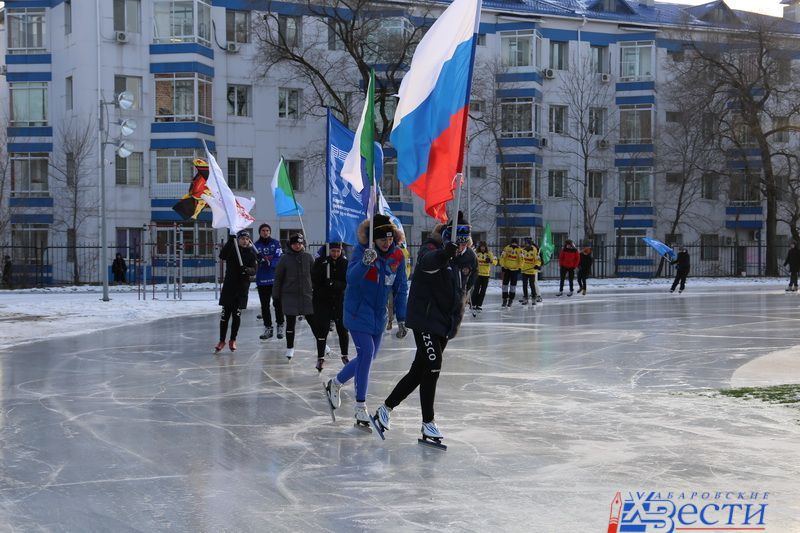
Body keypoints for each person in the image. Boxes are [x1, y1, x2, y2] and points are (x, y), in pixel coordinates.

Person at [372, 214, 477, 445]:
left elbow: (468, 284)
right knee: (433, 366)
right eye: (456, 242)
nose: (460, 247)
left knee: (419, 372)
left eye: (464, 242)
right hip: (425, 319)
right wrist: (445, 254)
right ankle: (428, 423)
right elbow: (428, 263)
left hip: (446, 323)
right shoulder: (433, 249)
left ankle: (384, 410)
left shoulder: (469, 256)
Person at [324, 214, 408, 428]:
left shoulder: (397, 255)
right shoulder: (362, 252)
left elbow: (400, 288)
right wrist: (364, 263)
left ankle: (335, 383)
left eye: (390, 239)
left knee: (368, 357)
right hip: (357, 312)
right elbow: (350, 279)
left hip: (378, 316)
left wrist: (402, 317)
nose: (387, 243)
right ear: (373, 240)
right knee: (367, 354)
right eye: (382, 239)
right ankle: (360, 407)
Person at [273, 233, 315, 361]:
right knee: (290, 323)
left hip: (306, 295)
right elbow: (278, 279)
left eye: (300, 243)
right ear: (291, 244)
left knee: (313, 322)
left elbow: (315, 275)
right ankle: (290, 347)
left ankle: (322, 345)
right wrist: (276, 296)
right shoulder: (285, 259)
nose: (298, 245)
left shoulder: (308, 257)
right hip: (289, 296)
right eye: (295, 243)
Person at [216, 230, 258, 353]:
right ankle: (221, 340)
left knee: (236, 316)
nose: (244, 241)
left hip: (241, 288)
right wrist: (230, 239)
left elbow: (254, 270)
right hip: (229, 287)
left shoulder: (251, 253)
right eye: (242, 239)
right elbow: (222, 256)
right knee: (225, 316)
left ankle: (233, 339)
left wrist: (246, 270)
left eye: (247, 239)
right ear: (238, 240)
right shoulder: (233, 250)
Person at [311, 242, 350, 371]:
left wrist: (334, 284)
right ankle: (320, 357)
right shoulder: (320, 262)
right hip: (322, 301)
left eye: (337, 251)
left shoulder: (344, 263)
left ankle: (344, 355)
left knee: (342, 329)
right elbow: (314, 279)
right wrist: (324, 276)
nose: (335, 254)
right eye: (333, 251)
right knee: (322, 329)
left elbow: (347, 282)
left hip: (339, 301)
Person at [253, 223, 285, 340]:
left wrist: (270, 263)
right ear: (260, 232)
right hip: (262, 279)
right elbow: (253, 259)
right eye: (263, 230)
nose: (265, 232)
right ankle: (268, 328)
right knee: (264, 306)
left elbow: (279, 257)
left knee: (278, 303)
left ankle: (280, 325)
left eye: (267, 230)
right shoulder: (255, 246)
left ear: (270, 232)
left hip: (275, 278)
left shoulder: (276, 243)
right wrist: (259, 260)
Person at [386, 240, 411, 331]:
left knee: (390, 301)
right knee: (393, 300)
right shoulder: (401, 250)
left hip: (394, 278)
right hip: (399, 277)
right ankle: (396, 321)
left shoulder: (399, 251)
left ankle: (391, 320)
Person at [471, 241, 496, 311]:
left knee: (483, 291)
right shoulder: (476, 253)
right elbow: (472, 261)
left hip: (486, 275)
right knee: (476, 290)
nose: (482, 248)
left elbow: (495, 262)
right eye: (481, 247)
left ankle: (478, 305)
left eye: (484, 247)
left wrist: (490, 261)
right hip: (478, 275)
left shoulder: (489, 254)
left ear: (486, 247)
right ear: (479, 247)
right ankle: (473, 304)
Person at [499, 239, 522, 307]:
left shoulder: (519, 250)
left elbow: (521, 259)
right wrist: (502, 266)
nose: (514, 244)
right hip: (507, 269)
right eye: (513, 243)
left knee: (513, 286)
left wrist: (520, 267)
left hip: (515, 270)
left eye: (515, 243)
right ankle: (504, 299)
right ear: (511, 243)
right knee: (505, 285)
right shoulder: (507, 248)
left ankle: (511, 300)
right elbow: (502, 257)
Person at [519, 241, 542, 305]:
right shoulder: (523, 251)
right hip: (524, 270)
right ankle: (525, 298)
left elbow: (538, 260)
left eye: (528, 244)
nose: (527, 245)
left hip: (532, 271)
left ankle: (534, 298)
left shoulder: (534, 251)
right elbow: (520, 259)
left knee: (532, 285)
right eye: (526, 244)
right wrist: (519, 266)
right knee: (524, 285)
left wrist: (537, 265)